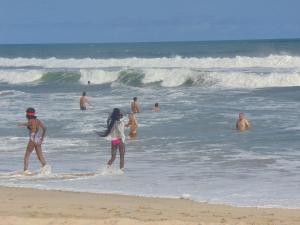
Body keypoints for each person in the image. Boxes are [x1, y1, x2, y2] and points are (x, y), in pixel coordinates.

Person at [17, 108, 47, 174]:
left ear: (27, 114)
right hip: (38, 140)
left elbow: (26, 124)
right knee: (40, 156)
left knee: (27, 156)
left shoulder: (30, 121)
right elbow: (45, 128)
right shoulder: (38, 121)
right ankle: (46, 169)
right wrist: (42, 138)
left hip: (32, 140)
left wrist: (20, 124)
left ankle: (25, 171)